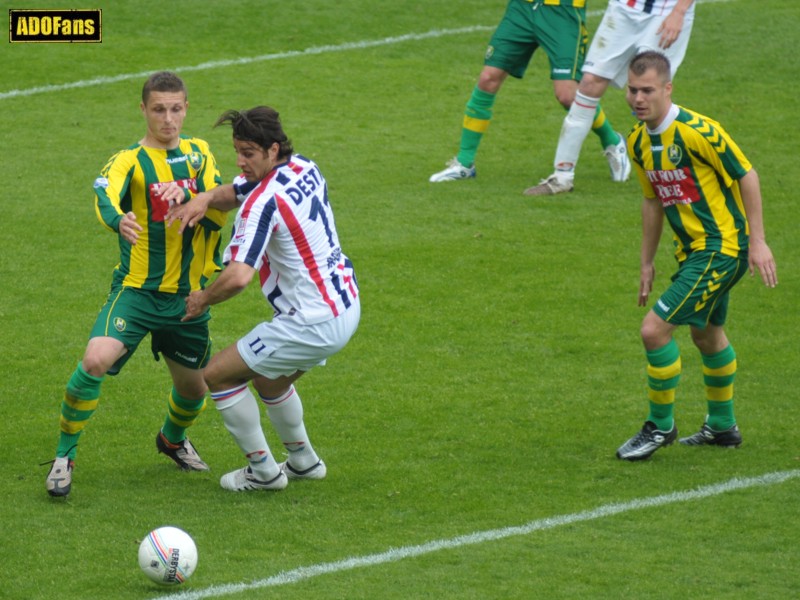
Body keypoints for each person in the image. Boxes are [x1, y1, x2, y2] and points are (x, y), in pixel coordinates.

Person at [44, 71, 227, 497]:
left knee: (194, 388)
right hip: (137, 293)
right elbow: (102, 191)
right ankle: (63, 456)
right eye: (159, 109)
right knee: (94, 361)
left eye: (176, 109)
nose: (168, 119)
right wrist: (117, 218)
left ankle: (171, 440)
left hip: (188, 299)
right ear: (143, 109)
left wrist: (197, 196)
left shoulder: (200, 153)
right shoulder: (129, 159)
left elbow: (219, 198)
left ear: (186, 108)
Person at [168, 106, 360, 492]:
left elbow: (239, 277)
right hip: (345, 305)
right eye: (237, 150)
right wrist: (204, 198)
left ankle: (263, 473)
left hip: (310, 320)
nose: (240, 161)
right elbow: (235, 190)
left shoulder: (262, 204)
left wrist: (202, 299)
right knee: (270, 382)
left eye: (249, 153)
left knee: (217, 375)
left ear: (273, 150)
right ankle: (304, 462)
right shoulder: (304, 166)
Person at [615, 51, 778, 461]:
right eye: (632, 90)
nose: (638, 98)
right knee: (706, 335)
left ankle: (659, 427)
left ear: (667, 89)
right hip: (692, 254)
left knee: (654, 330)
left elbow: (747, 174)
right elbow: (652, 201)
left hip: (721, 249)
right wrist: (647, 262)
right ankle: (723, 427)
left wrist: (757, 241)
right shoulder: (637, 141)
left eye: (647, 90)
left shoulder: (697, 131)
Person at [429, 0, 630, 189]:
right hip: (522, 9)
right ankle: (465, 164)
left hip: (562, 11)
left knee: (567, 96)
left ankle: (612, 141)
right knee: (488, 79)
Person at [526, 0, 695, 196]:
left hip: (666, 14)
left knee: (650, 91)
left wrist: (679, 12)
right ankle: (562, 177)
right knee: (589, 83)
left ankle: (669, 172)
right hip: (623, 9)